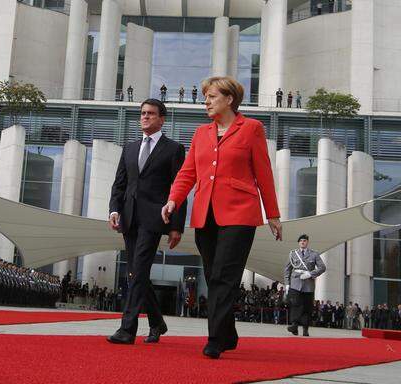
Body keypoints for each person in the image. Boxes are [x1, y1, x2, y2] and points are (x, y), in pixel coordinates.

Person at [162, 76, 282, 358]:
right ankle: (228, 332)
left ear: (229, 100)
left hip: (240, 213)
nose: (206, 102)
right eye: (205, 97)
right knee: (212, 275)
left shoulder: (251, 128)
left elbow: (263, 172)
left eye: (212, 96)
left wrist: (273, 214)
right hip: (205, 214)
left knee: (224, 276)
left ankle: (215, 338)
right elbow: (188, 173)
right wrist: (173, 200)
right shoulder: (200, 133)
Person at [107, 98, 187, 345]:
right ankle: (157, 321)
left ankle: (127, 330)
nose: (145, 117)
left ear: (161, 119)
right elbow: (120, 183)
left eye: (151, 114)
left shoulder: (173, 149)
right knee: (136, 272)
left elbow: (180, 189)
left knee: (138, 270)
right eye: (142, 113)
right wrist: (113, 210)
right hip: (128, 218)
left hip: (154, 218)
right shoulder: (129, 148)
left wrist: (176, 226)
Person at [284, 234, 326, 336]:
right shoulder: (293, 254)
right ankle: (294, 326)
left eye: (305, 241)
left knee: (307, 307)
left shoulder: (314, 254)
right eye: (301, 241)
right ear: (299, 243)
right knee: (295, 305)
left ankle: (305, 328)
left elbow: (322, 267)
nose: (303, 242)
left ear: (307, 242)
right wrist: (287, 284)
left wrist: (310, 274)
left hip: (308, 284)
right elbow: (287, 269)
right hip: (295, 283)